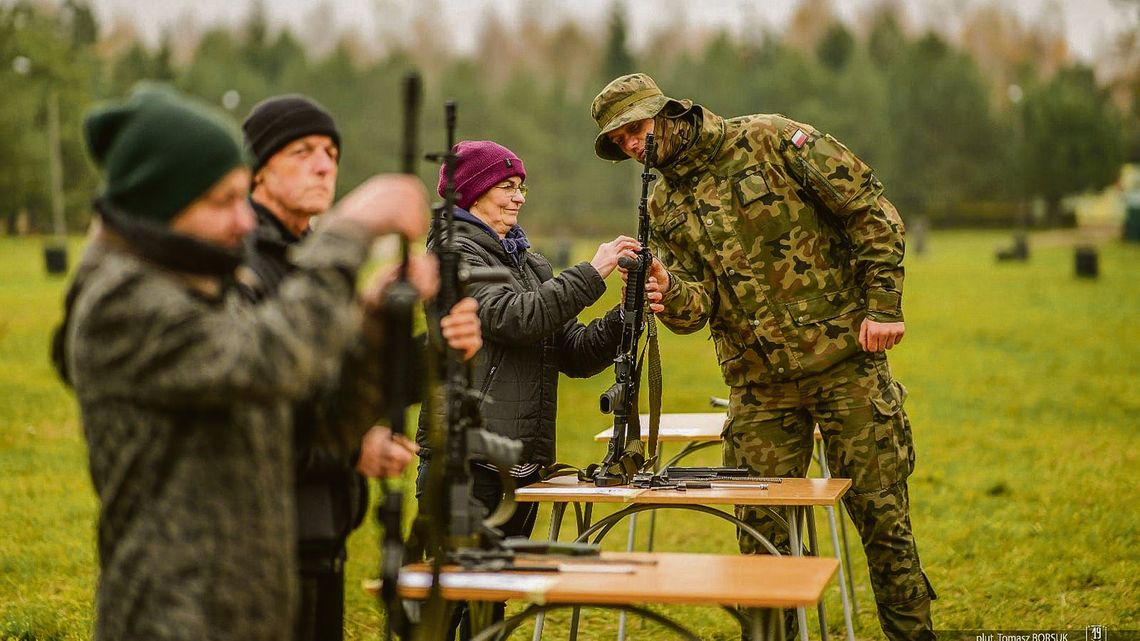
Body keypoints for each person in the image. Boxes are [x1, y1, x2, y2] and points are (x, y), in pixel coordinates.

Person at [49, 85, 453, 641]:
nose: (244, 222)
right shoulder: (123, 302)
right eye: (222, 202)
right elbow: (268, 362)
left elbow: (320, 420)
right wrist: (348, 231)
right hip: (172, 621)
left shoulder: (205, 289)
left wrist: (374, 323)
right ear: (162, 204)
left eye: (243, 199)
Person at [591, 73, 936, 641]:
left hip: (845, 364)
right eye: (619, 141)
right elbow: (696, 308)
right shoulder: (661, 202)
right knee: (761, 539)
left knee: (884, 522)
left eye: (635, 128)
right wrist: (667, 289)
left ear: (667, 112)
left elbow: (868, 210)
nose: (631, 144)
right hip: (759, 388)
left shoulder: (768, 139)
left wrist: (883, 305)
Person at [239, 94, 483, 641]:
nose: (323, 166)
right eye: (302, 151)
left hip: (322, 530)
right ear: (257, 169)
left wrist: (437, 350)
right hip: (256, 540)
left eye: (331, 152)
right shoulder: (243, 262)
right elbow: (260, 400)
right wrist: (350, 449)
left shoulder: (309, 261)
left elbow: (342, 382)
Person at [414, 140, 662, 640]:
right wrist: (592, 272)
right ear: (472, 192)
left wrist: (626, 312)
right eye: (506, 186)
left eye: (521, 187)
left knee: (491, 604)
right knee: (448, 608)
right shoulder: (450, 255)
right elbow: (513, 318)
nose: (518, 197)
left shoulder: (529, 263)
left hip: (520, 467)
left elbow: (574, 352)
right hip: (466, 464)